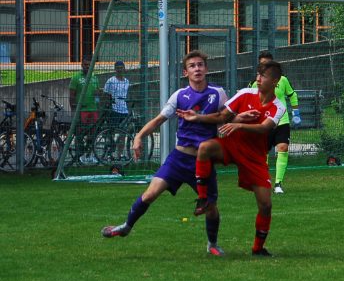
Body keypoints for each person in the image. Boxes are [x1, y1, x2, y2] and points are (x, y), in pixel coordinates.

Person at [101, 50, 229, 257]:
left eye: (200, 65)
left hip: (202, 161)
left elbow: (227, 116)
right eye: (192, 66)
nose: (197, 69)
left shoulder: (218, 93)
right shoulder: (180, 95)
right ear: (185, 72)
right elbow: (159, 119)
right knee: (150, 194)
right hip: (178, 159)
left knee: (211, 206)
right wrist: (139, 136)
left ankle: (212, 243)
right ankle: (126, 226)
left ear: (206, 69)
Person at [179, 60, 286, 257]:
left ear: (275, 81)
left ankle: (258, 248)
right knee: (205, 148)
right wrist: (198, 117)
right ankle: (203, 199)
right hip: (232, 145)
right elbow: (222, 117)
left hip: (254, 156)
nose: (258, 79)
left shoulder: (279, 106)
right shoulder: (245, 94)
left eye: (263, 76)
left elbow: (264, 128)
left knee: (266, 204)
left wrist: (239, 125)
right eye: (257, 75)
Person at [250, 50, 301, 194]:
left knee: (283, 148)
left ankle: (278, 183)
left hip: (282, 121)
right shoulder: (255, 84)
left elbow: (292, 95)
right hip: (265, 122)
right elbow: (252, 101)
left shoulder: (282, 80)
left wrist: (296, 112)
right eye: (262, 65)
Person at [69, 56, 101, 165]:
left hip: (94, 109)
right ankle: (80, 155)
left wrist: (98, 98)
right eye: (85, 65)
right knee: (80, 133)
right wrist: (74, 110)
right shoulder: (76, 77)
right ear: (81, 65)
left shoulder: (95, 77)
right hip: (82, 110)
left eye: (89, 65)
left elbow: (97, 94)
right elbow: (71, 95)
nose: (87, 67)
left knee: (92, 134)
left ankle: (91, 155)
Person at [102, 60, 131, 159]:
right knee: (112, 131)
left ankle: (119, 154)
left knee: (123, 133)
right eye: (117, 68)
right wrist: (108, 105)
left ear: (124, 69)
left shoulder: (127, 81)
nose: (119, 70)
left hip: (124, 110)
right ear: (115, 69)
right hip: (114, 109)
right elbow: (106, 94)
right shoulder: (111, 81)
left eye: (121, 68)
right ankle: (109, 153)